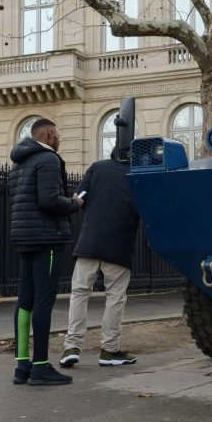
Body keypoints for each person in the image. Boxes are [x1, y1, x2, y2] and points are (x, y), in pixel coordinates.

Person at [8, 118, 82, 386]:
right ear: (50, 134)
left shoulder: (19, 162)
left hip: (24, 237)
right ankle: (40, 366)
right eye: (58, 134)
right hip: (46, 237)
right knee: (43, 300)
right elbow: (49, 200)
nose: (59, 138)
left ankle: (22, 365)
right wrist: (74, 203)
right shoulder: (49, 159)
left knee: (25, 300)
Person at [60, 146, 140, 368]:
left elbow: (79, 199)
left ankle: (72, 347)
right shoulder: (138, 175)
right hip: (121, 245)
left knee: (79, 293)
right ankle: (109, 350)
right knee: (115, 297)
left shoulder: (96, 168)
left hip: (90, 241)